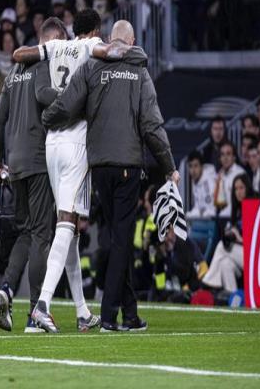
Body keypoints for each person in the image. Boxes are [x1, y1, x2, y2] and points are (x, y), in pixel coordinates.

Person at [42, 20, 179, 332]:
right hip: (127, 165)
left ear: (110, 40)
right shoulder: (139, 72)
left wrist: (46, 119)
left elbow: (66, 104)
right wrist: (169, 166)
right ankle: (108, 315)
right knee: (121, 240)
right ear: (131, 41)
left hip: (99, 167)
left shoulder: (91, 67)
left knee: (117, 238)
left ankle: (130, 314)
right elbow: (151, 126)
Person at [11, 10, 127, 333]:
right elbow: (112, 52)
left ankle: (81, 311)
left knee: (71, 228)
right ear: (96, 31)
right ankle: (43, 305)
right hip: (77, 143)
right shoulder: (90, 46)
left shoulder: (56, 47)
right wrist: (123, 47)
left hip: (51, 145)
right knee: (66, 222)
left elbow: (18, 54)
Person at [0, 18, 67, 333]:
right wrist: (72, 97)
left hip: (14, 163)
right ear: (53, 40)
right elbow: (43, 96)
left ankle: (7, 288)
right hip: (38, 159)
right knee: (40, 235)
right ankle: (36, 312)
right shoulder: (43, 63)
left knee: (25, 232)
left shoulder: (13, 73)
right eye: (63, 41)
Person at [202, 173, 254, 292]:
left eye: (241, 188)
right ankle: (233, 299)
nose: (238, 192)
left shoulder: (254, 207)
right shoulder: (237, 211)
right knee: (225, 264)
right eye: (236, 189)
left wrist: (239, 239)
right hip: (241, 255)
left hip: (254, 257)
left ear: (247, 188)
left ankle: (207, 282)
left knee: (221, 247)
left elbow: (257, 241)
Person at [214, 141, 245, 219]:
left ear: (234, 157)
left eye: (228, 154)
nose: (225, 158)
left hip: (236, 218)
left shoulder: (240, 173)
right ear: (220, 158)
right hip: (222, 217)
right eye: (222, 154)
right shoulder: (219, 175)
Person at [186, 150, 216, 219]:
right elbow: (198, 207)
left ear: (202, 167)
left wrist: (198, 213)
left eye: (196, 166)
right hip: (202, 219)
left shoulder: (209, 182)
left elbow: (211, 210)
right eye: (190, 166)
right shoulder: (195, 181)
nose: (193, 170)